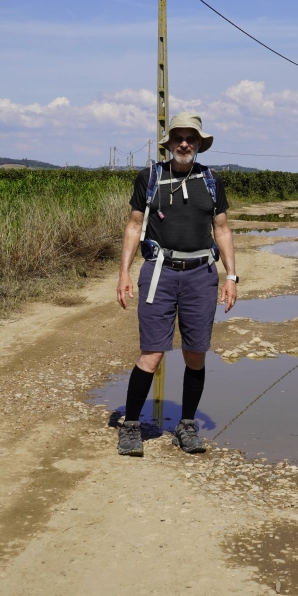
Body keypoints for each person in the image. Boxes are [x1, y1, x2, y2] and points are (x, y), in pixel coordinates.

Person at [116, 112, 238, 456]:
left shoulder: (211, 180)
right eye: (178, 137)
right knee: (152, 353)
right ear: (168, 143)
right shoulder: (150, 177)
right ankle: (130, 426)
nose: (184, 143)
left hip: (201, 274)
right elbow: (133, 225)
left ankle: (186, 425)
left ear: (199, 144)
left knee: (195, 355)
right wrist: (124, 273)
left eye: (191, 138)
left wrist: (231, 276)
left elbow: (223, 229)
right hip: (160, 273)